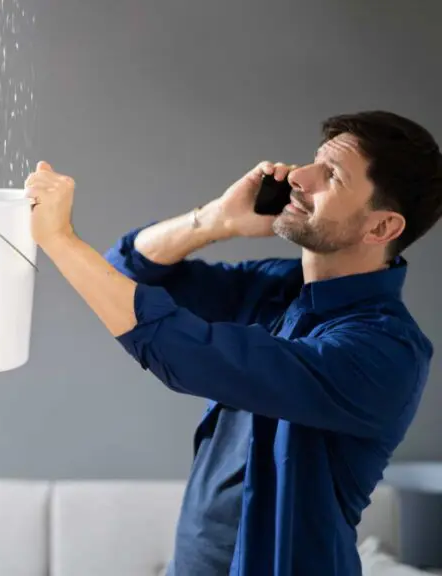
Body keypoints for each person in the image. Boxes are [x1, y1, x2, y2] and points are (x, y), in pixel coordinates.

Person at [25, 110, 442, 575]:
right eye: (312, 161)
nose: (299, 176)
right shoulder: (276, 290)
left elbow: (182, 350)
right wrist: (215, 220)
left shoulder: (383, 352)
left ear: (381, 228)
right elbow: (126, 271)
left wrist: (60, 239)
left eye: (332, 176)